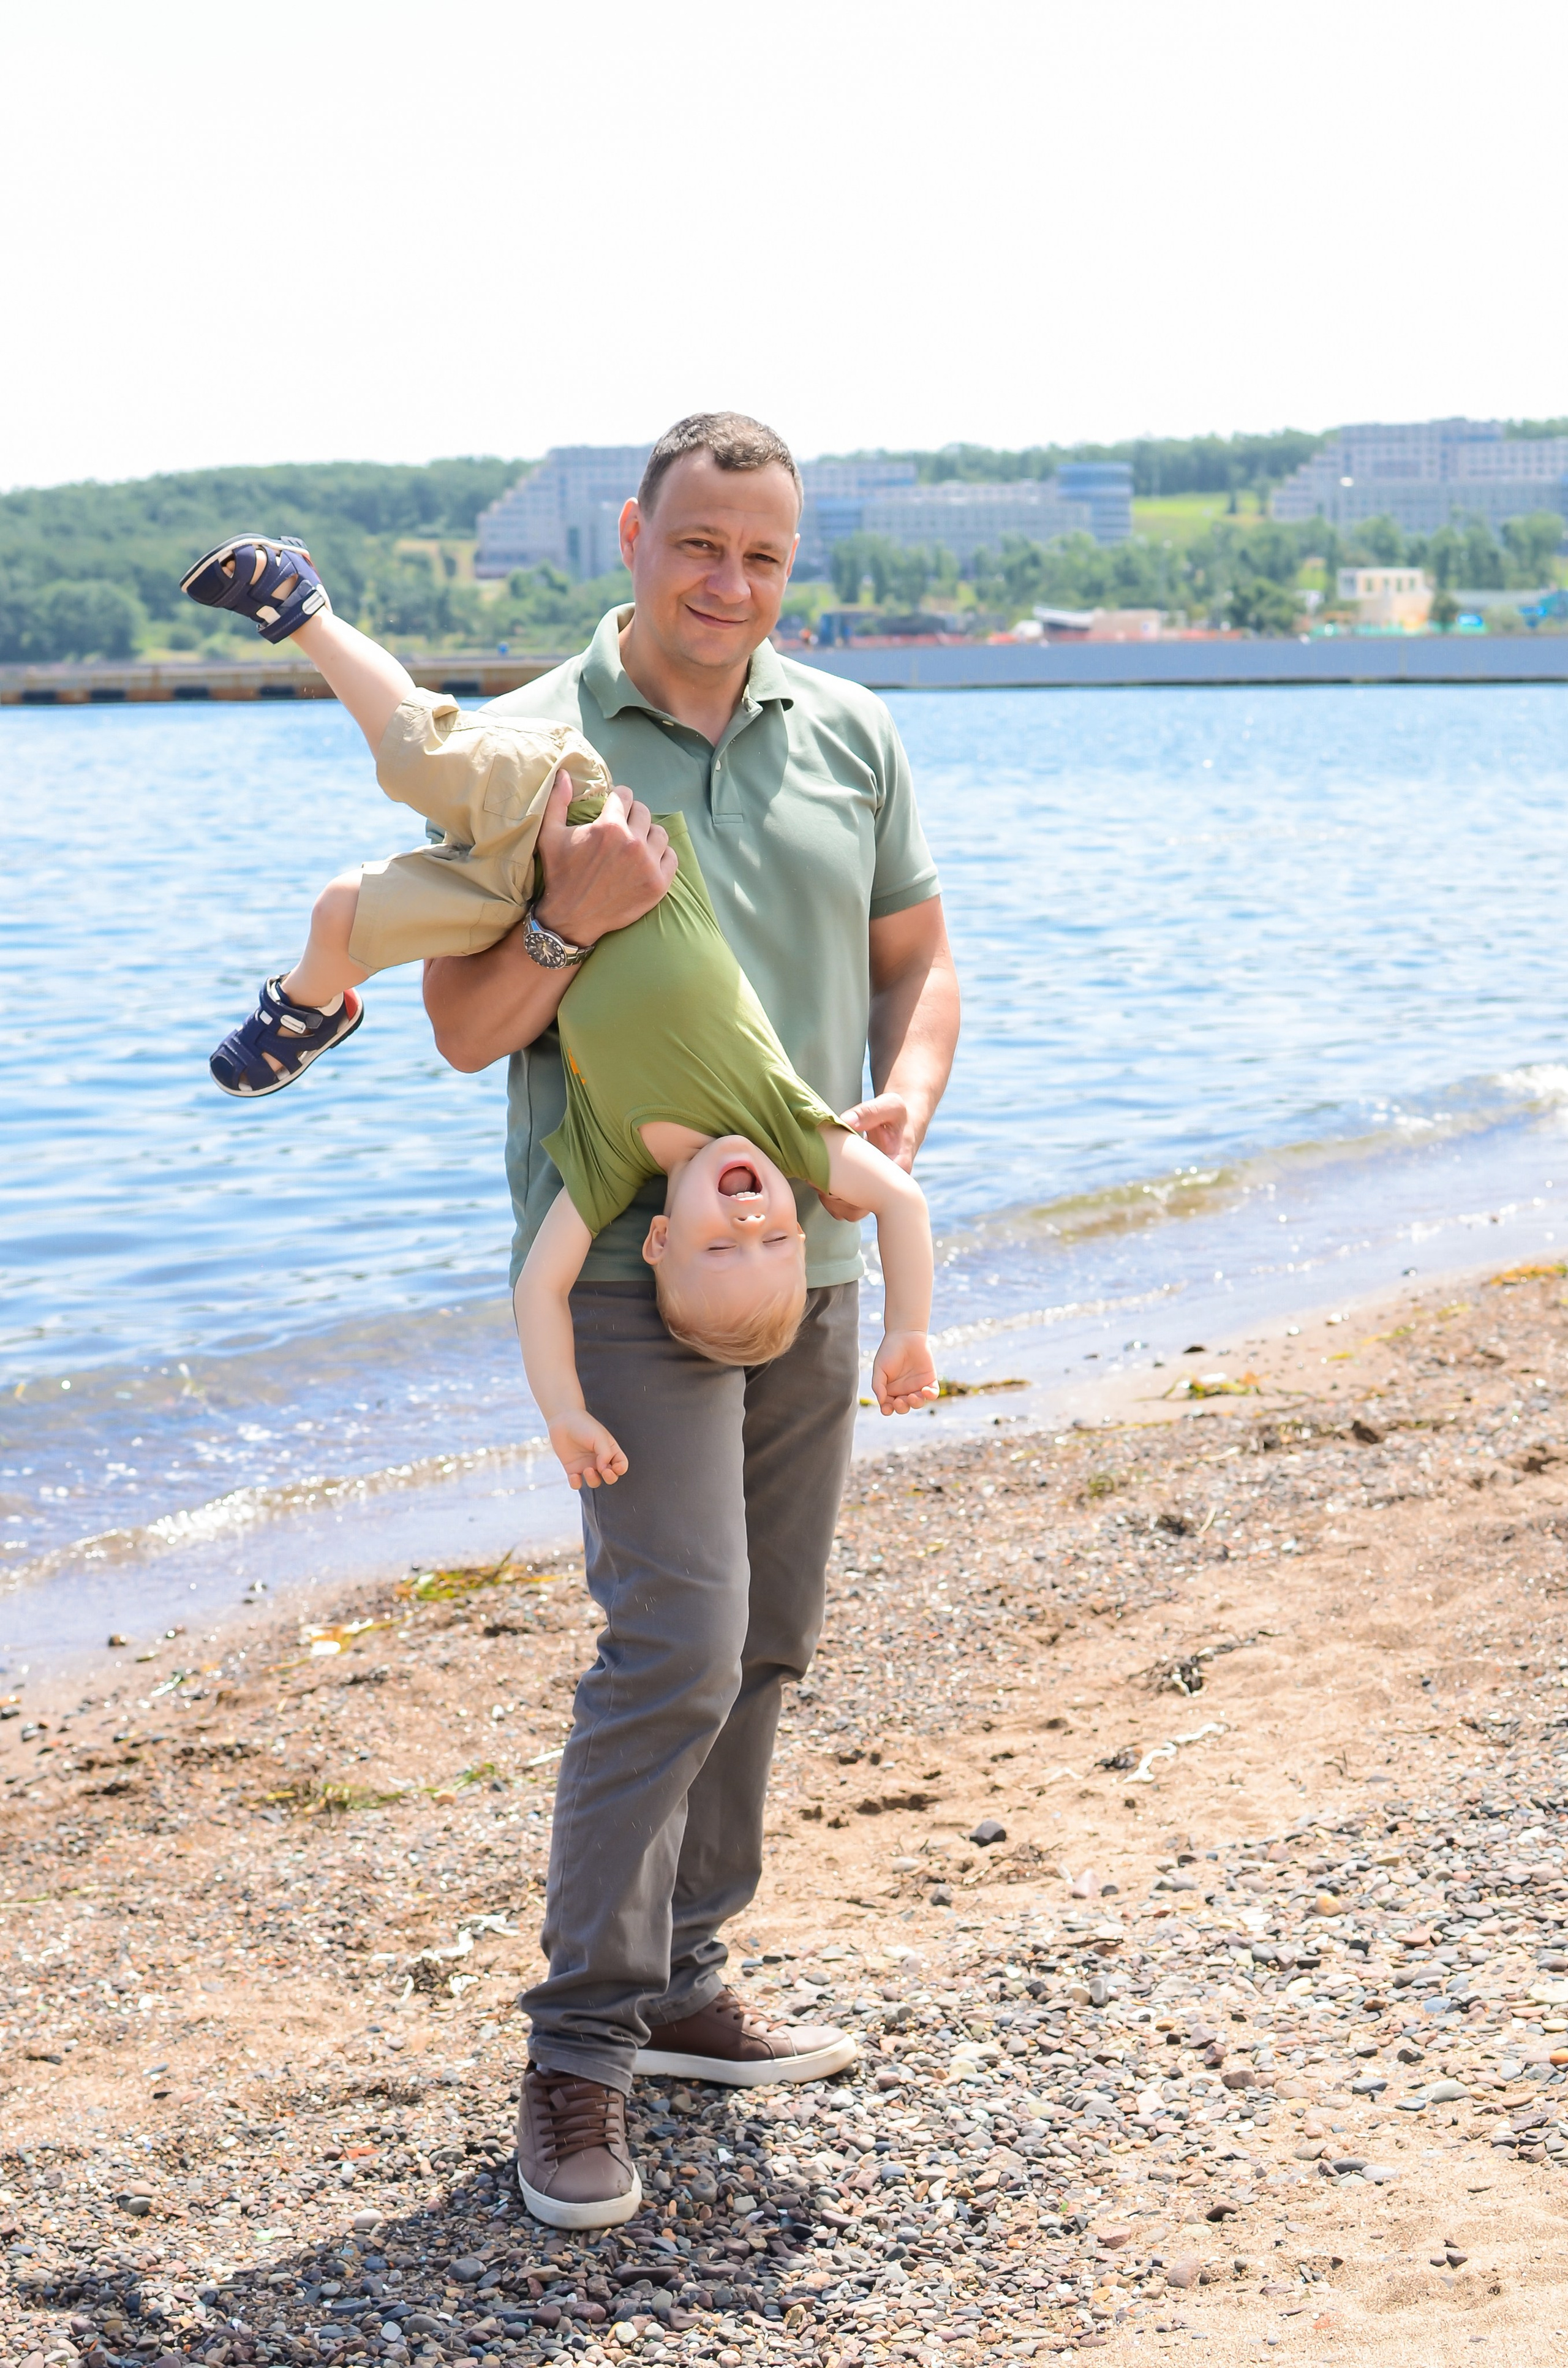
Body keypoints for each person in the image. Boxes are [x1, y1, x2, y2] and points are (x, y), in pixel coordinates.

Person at [422, 412, 959, 2231]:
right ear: (635, 534)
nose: (730, 585)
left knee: (772, 1640)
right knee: (678, 1639)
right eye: (699, 545)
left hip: (804, 1264)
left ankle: (680, 1982)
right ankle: (576, 2052)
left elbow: (919, 960)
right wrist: (568, 924)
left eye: (765, 557)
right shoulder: (532, 750)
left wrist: (906, 1103)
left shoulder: (852, 731)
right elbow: (463, 1029)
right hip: (631, 1274)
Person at [178, 543, 939, 1439]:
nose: (748, 1214)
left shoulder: (609, 1164)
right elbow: (902, 1200)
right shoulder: (788, 1125)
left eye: (720, 1244)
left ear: (660, 1241)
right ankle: (305, 609)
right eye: (774, 1238)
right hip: (578, 806)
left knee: (346, 912)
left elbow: (543, 1285)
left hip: (516, 899)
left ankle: (316, 1007)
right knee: (420, 755)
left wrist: (566, 1411)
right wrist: (909, 1332)